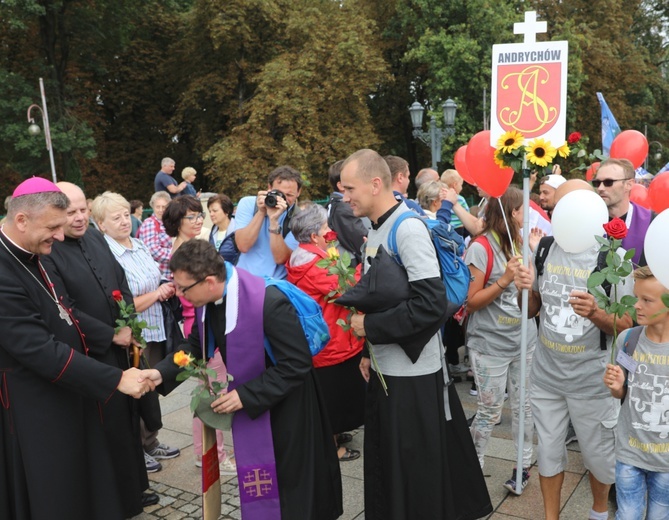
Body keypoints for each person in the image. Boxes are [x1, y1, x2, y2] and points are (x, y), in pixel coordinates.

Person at [142, 239, 344, 520]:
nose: (180, 295)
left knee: (294, 487)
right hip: (256, 397)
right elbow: (193, 347)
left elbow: (296, 364)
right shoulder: (208, 300)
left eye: (184, 288)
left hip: (290, 407)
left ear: (209, 280)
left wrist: (245, 395)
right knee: (268, 481)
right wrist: (160, 372)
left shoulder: (268, 302)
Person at [339, 149, 492, 520]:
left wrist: (369, 328)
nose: (345, 197)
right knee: (391, 465)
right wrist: (365, 349)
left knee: (414, 470)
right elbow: (382, 297)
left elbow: (429, 304)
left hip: (413, 377)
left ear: (376, 184)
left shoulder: (407, 228)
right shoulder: (375, 229)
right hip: (385, 369)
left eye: (349, 188)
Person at [0, 177, 153, 520]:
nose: (59, 235)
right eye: (53, 226)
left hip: (65, 390)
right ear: (22, 220)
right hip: (33, 404)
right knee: (55, 491)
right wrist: (115, 379)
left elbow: (61, 312)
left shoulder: (30, 252)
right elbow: (39, 349)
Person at [514, 179, 635, 520]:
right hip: (546, 377)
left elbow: (627, 324)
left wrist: (595, 312)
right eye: (558, 207)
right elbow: (533, 309)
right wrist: (523, 288)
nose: (559, 212)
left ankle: (598, 512)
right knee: (549, 454)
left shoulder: (613, 257)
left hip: (592, 382)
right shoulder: (544, 249)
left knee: (599, 457)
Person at [42, 182, 158, 515]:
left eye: (83, 210)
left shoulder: (95, 237)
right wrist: (109, 335)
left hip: (122, 344)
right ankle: (117, 497)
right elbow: (64, 307)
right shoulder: (51, 251)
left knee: (128, 420)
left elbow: (120, 279)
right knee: (107, 428)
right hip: (91, 352)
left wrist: (129, 325)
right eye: (70, 212)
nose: (79, 218)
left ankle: (136, 486)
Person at [92, 191, 181, 474]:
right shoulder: (105, 255)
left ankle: (150, 441)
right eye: (114, 218)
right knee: (134, 393)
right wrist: (157, 293)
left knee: (151, 390)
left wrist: (164, 289)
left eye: (125, 215)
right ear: (100, 225)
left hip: (156, 327)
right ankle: (136, 449)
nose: (123, 221)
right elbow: (121, 302)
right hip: (132, 334)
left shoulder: (140, 244)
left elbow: (153, 279)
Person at [464, 187, 536, 495]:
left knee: (525, 408)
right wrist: (504, 280)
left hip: (524, 343)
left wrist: (530, 282)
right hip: (490, 345)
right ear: (513, 212)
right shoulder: (481, 247)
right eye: (524, 209)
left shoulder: (523, 243)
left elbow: (532, 304)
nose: (529, 214)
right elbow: (471, 302)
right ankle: (472, 464)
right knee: (490, 410)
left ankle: (523, 466)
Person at [162, 195, 237, 474]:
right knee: (212, 391)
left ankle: (206, 451)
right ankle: (212, 455)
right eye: (190, 217)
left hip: (204, 323)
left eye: (199, 215)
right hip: (200, 327)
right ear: (176, 223)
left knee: (208, 388)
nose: (197, 221)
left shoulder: (192, 246)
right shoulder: (185, 252)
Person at [286, 204, 365, 462]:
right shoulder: (317, 264)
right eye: (325, 228)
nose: (330, 232)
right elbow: (346, 290)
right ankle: (331, 446)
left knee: (335, 393)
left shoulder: (304, 256)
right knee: (333, 397)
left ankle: (334, 433)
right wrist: (363, 267)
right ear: (313, 237)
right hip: (332, 340)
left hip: (325, 338)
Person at [604, 266, 669, 520]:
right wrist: (617, 386)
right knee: (627, 514)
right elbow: (621, 393)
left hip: (665, 461)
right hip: (630, 453)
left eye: (646, 300)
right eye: (636, 298)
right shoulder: (628, 340)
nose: (636, 307)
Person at [234, 165, 302, 278]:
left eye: (289, 195)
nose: (282, 199)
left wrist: (274, 222)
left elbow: (280, 259)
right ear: (269, 187)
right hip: (244, 280)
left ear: (298, 192)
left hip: (274, 285)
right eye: (278, 193)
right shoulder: (248, 204)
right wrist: (261, 212)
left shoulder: (298, 217)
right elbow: (243, 246)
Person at [594, 158, 653, 266]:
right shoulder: (590, 219)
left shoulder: (651, 222)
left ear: (629, 184)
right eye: (597, 183)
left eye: (608, 182)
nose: (601, 188)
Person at [326, 159, 369, 267]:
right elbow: (361, 240)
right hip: (352, 264)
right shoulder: (344, 209)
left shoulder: (334, 204)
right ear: (341, 185)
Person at [136, 191, 172, 279]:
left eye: (164, 207)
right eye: (158, 207)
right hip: (160, 276)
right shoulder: (150, 223)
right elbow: (153, 251)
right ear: (153, 207)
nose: (161, 210)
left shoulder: (169, 222)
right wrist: (177, 255)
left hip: (171, 274)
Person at [207, 193, 238, 263]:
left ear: (226, 211)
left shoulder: (237, 231)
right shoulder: (212, 232)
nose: (211, 214)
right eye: (210, 211)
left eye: (215, 211)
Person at [441, 169, 471, 236]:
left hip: (445, 228)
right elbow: (467, 213)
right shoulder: (460, 199)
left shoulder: (441, 197)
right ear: (455, 185)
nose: (461, 188)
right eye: (461, 185)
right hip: (458, 229)